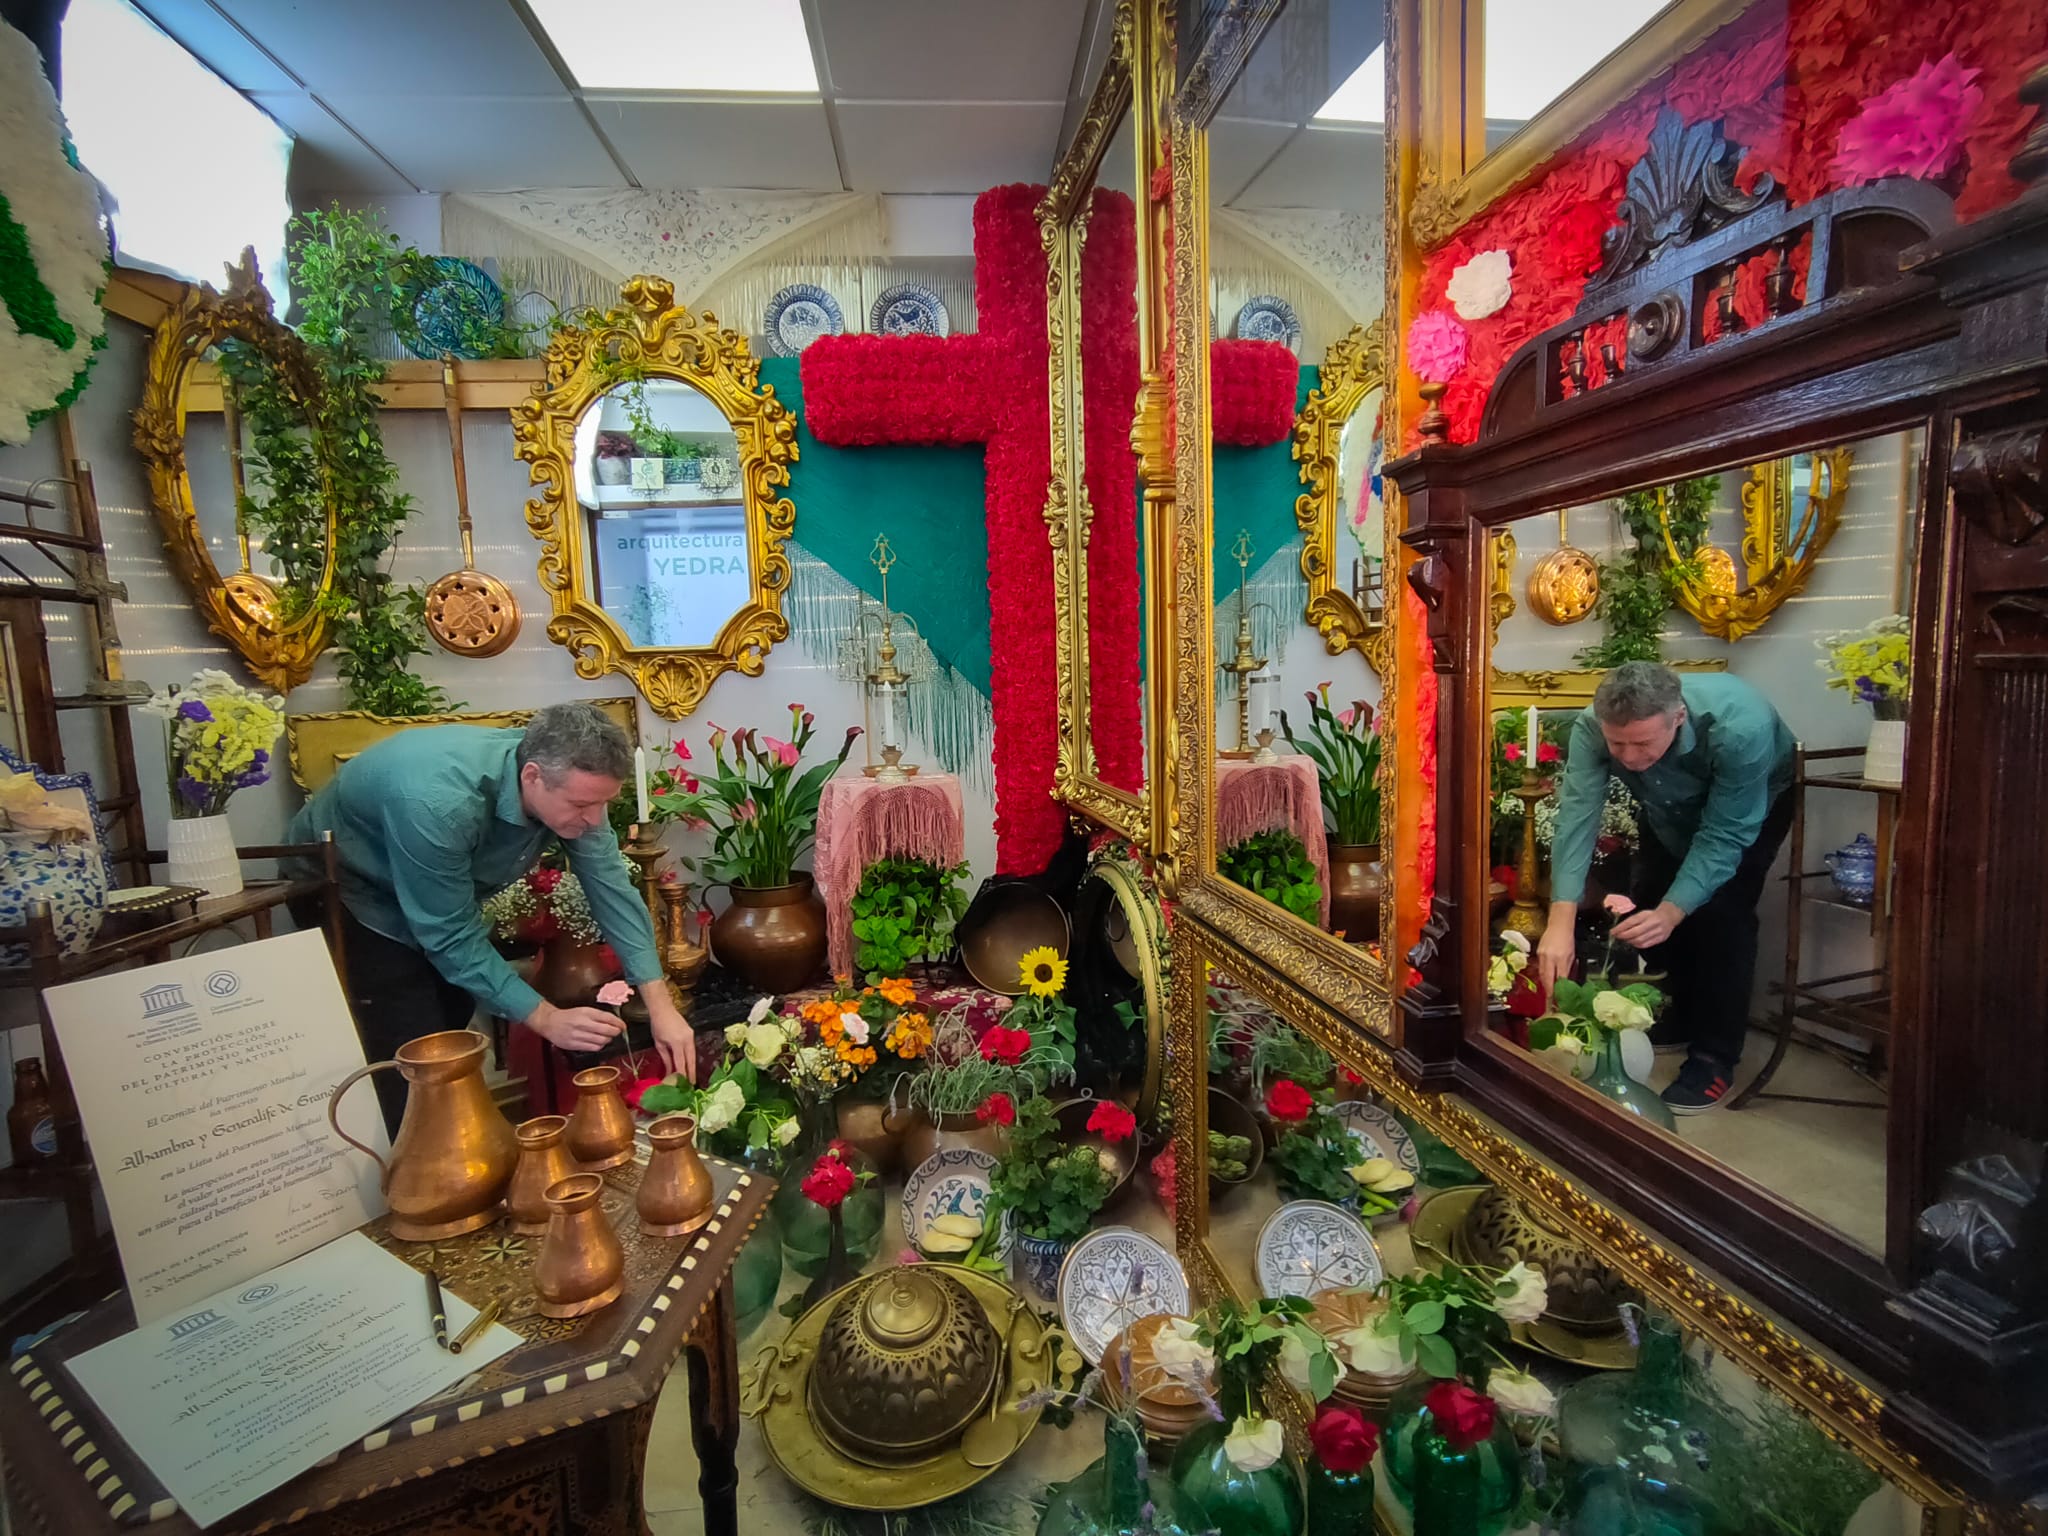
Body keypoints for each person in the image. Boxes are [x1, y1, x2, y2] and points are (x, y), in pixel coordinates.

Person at [287, 702, 693, 1131]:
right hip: (347, 893)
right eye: (581, 805)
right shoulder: (438, 803)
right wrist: (546, 1018)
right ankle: (420, 1168)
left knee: (454, 1009)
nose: (593, 819)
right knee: (416, 1049)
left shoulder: (571, 781)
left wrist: (662, 1006)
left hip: (427, 888)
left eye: (602, 804)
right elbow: (448, 936)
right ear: (532, 776)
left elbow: (611, 888)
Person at [1536, 663, 1795, 1114]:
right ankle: (1679, 1016)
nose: (1630, 758)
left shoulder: (1741, 728)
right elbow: (1577, 817)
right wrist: (1561, 918)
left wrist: (1676, 911)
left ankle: (1715, 1057)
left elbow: (1724, 835)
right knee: (1650, 892)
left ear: (1677, 719)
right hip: (1664, 803)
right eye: (1618, 744)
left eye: (1643, 743)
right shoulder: (1590, 727)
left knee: (1721, 913)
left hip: (1751, 805)